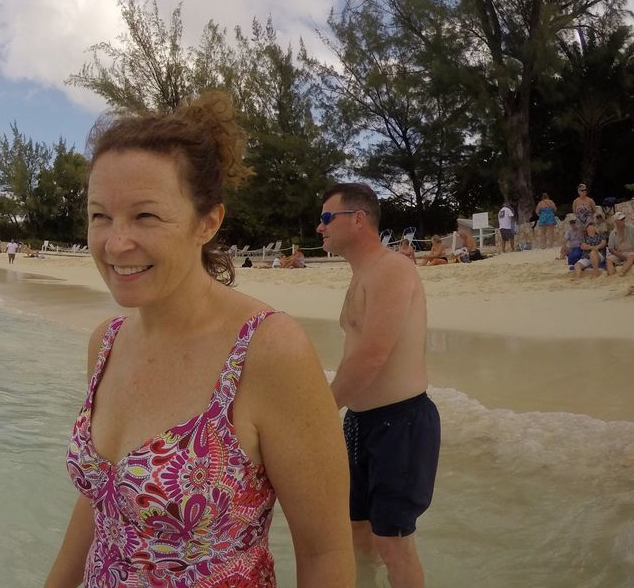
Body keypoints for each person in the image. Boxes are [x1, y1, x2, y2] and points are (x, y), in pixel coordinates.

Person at [45, 92, 353, 588]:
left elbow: (326, 553)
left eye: (145, 216)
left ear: (207, 222)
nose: (115, 242)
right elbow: (103, 501)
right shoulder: (106, 343)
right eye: (100, 215)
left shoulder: (268, 351)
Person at [319, 183, 440, 588]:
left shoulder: (393, 269)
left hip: (401, 423)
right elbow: (353, 355)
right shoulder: (361, 276)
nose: (319, 229)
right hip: (361, 422)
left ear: (358, 219)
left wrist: (317, 411)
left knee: (393, 543)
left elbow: (373, 355)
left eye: (325, 218)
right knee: (357, 532)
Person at [609, 213, 634, 277]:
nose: (623, 220)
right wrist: (620, 255)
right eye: (621, 219)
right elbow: (611, 248)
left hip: (631, 251)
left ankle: (620, 273)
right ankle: (611, 276)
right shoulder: (612, 233)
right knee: (609, 259)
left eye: (623, 219)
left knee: (631, 256)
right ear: (616, 221)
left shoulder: (631, 228)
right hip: (619, 253)